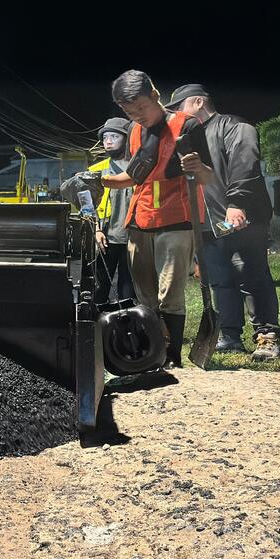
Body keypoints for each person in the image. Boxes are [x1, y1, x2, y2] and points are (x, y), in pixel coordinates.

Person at [99, 71, 211, 368]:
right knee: (144, 297)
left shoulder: (186, 125)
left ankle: (172, 358)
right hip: (139, 221)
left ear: (155, 95)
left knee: (170, 294)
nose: (137, 116)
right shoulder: (135, 132)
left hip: (176, 220)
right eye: (128, 111)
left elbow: (209, 176)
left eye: (140, 108)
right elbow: (133, 177)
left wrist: (198, 167)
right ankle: (151, 355)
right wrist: (99, 181)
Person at [166, 84, 280, 361]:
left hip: (241, 217)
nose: (176, 116)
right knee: (220, 279)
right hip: (210, 224)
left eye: (179, 108)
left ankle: (267, 336)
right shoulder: (188, 139)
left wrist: (237, 204)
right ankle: (229, 336)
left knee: (251, 273)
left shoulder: (235, 127)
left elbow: (245, 164)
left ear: (197, 102)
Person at [88, 118, 137, 304]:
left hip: (134, 237)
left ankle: (127, 326)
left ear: (127, 139)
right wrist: (96, 229)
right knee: (99, 287)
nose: (108, 141)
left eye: (114, 136)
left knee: (129, 288)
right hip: (105, 238)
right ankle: (98, 325)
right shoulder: (95, 170)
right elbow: (86, 204)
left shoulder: (140, 168)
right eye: (105, 137)